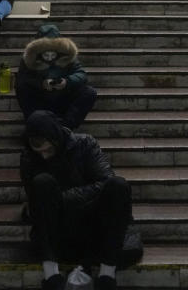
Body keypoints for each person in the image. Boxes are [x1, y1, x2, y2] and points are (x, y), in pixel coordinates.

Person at [21, 111, 132, 290]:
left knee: (118, 185)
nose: (44, 156)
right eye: (39, 152)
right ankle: (51, 274)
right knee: (42, 182)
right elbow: (36, 199)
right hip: (58, 230)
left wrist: (63, 198)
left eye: (48, 150)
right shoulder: (29, 157)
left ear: (56, 139)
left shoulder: (85, 144)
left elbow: (106, 181)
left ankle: (107, 274)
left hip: (92, 224)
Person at [17, 24, 97, 129]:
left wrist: (67, 82)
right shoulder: (29, 59)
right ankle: (36, 124)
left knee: (89, 92)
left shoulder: (67, 56)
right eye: (46, 54)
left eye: (53, 53)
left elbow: (81, 74)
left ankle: (66, 127)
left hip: (63, 99)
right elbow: (22, 79)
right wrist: (41, 84)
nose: (49, 57)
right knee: (22, 87)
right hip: (40, 100)